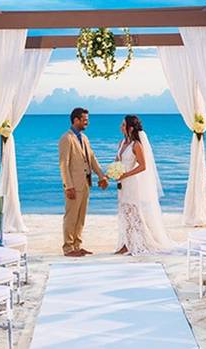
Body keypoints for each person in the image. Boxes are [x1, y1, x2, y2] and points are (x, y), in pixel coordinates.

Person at [114, 115, 177, 255]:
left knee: (134, 212)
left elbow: (143, 166)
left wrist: (126, 174)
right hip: (121, 183)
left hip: (131, 183)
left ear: (130, 128)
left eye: (123, 125)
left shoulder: (136, 145)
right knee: (124, 212)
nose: (121, 127)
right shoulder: (121, 143)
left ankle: (139, 242)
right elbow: (117, 161)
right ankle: (126, 242)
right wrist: (113, 173)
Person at [58, 107, 108, 256]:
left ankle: (77, 245)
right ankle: (68, 248)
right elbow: (63, 164)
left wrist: (101, 176)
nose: (87, 123)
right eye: (85, 120)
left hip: (86, 183)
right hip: (73, 185)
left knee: (81, 217)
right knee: (71, 216)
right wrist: (68, 186)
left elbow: (92, 159)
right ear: (76, 120)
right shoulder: (66, 139)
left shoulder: (84, 138)